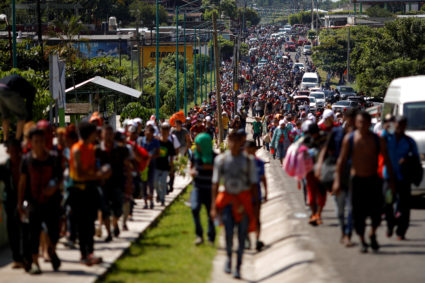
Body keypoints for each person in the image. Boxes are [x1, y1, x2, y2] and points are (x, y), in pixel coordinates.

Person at [333, 111, 394, 253]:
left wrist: (391, 180)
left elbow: (387, 160)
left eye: (364, 122)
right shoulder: (350, 139)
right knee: (357, 213)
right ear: (356, 123)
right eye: (359, 122)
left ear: (369, 123)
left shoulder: (378, 140)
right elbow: (341, 162)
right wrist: (337, 181)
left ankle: (372, 233)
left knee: (376, 212)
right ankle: (362, 240)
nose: (361, 125)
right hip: (356, 181)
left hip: (373, 180)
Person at [211, 131, 258, 279]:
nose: (235, 143)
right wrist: (213, 206)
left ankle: (238, 266)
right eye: (232, 139)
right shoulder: (221, 160)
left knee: (242, 235)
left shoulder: (248, 161)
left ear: (242, 141)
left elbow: (254, 185)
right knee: (229, 233)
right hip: (227, 201)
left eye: (238, 140)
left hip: (244, 201)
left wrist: (255, 207)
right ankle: (229, 258)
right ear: (229, 140)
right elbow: (215, 183)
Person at [17, 129, 63, 274]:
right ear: (30, 143)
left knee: (54, 231)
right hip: (33, 202)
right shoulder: (26, 160)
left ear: (45, 142)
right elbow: (22, 183)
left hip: (52, 202)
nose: (38, 144)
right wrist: (20, 204)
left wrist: (54, 187)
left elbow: (60, 178)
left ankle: (51, 249)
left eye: (41, 141)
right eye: (35, 141)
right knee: (33, 233)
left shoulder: (53, 158)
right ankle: (35, 263)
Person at [69, 122, 110, 265]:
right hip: (78, 191)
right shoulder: (77, 149)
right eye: (94, 133)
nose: (96, 135)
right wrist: (99, 176)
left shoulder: (91, 148)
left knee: (90, 223)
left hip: (90, 189)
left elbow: (92, 169)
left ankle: (90, 252)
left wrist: (102, 172)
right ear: (88, 133)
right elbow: (80, 173)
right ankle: (84, 254)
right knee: (82, 224)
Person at [317, 108, 357, 247]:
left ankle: (348, 234)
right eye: (349, 120)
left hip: (355, 174)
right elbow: (325, 150)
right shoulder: (336, 133)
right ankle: (343, 231)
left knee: (352, 208)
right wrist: (320, 168)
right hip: (337, 173)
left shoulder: (363, 135)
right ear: (344, 119)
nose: (352, 123)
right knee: (339, 208)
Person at [382, 116, 419, 240]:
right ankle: (390, 225)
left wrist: (407, 160)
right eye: (398, 124)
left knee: (404, 207)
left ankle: (401, 231)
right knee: (387, 204)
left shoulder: (409, 141)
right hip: (389, 178)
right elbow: (379, 142)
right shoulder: (387, 137)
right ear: (394, 124)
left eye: (403, 124)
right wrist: (385, 130)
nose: (400, 126)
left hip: (404, 179)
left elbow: (416, 159)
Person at [95, 125, 131, 242]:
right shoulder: (97, 150)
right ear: (102, 135)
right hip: (103, 184)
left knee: (118, 209)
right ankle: (109, 232)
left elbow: (127, 166)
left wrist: (129, 182)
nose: (108, 137)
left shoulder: (121, 149)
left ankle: (115, 224)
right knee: (104, 209)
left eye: (110, 134)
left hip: (118, 183)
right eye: (106, 134)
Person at [0, 139, 25, 269]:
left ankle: (26, 256)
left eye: (16, 150)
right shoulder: (5, 166)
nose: (14, 153)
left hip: (25, 200)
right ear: (8, 151)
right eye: (11, 150)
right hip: (10, 201)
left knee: (26, 230)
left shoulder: (25, 163)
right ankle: (17, 258)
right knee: (13, 230)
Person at [190, 133, 216, 245]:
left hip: (210, 189)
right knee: (195, 209)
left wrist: (210, 167)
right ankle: (199, 235)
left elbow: (220, 172)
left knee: (210, 214)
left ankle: (211, 237)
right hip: (197, 188)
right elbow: (192, 167)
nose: (197, 146)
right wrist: (192, 172)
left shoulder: (215, 157)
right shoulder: (195, 155)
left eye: (198, 144)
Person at [245, 140, 268, 251]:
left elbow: (263, 179)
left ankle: (257, 239)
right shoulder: (242, 163)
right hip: (244, 195)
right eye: (248, 150)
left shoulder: (259, 162)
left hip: (256, 194)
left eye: (252, 149)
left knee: (257, 219)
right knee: (245, 219)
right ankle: (247, 239)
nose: (250, 152)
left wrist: (266, 193)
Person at [0, 75, 36, 142]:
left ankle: (5, 140)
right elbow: (29, 107)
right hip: (8, 89)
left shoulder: (22, 84)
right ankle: (17, 141)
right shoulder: (31, 90)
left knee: (5, 117)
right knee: (22, 116)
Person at [138, 125, 160, 209]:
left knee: (150, 183)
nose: (148, 135)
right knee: (143, 184)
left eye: (150, 133)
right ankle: (145, 202)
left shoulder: (156, 142)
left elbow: (158, 153)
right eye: (146, 133)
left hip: (152, 164)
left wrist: (151, 156)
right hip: (143, 166)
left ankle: (151, 200)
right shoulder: (141, 141)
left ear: (152, 134)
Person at [155, 123, 176, 206]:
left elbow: (171, 157)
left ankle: (162, 199)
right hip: (156, 165)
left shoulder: (169, 144)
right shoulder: (157, 142)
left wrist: (171, 168)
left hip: (165, 166)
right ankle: (159, 194)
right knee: (156, 183)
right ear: (161, 131)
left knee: (163, 182)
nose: (164, 132)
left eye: (166, 130)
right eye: (163, 130)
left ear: (168, 132)